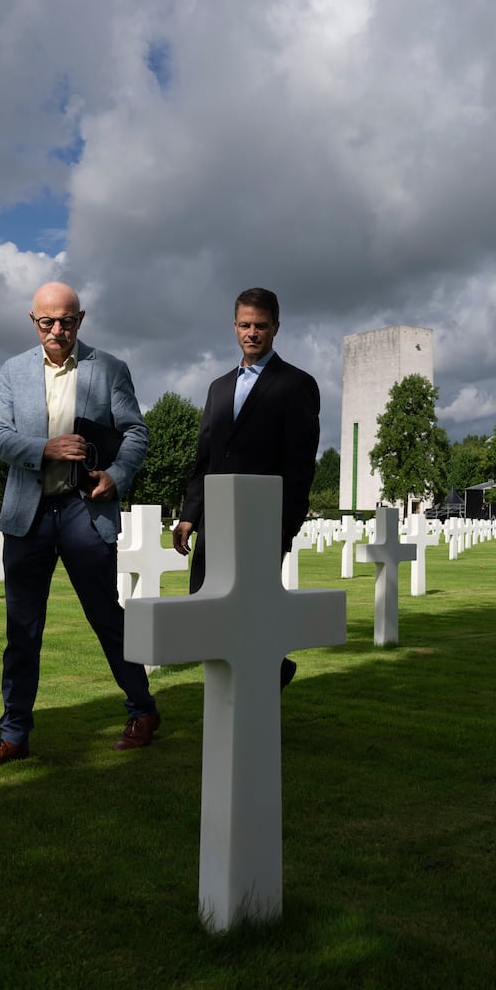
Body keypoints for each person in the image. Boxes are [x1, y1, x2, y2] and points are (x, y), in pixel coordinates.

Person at [0, 281, 158, 769]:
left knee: (106, 617)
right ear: (33, 321)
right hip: (27, 517)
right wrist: (44, 449)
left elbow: (136, 431)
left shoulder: (109, 369)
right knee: (22, 630)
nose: (57, 330)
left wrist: (117, 476)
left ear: (81, 319)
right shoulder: (12, 372)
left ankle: (142, 710)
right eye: (47, 321)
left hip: (83, 511)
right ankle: (13, 735)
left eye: (67, 321)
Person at [173, 287, 321, 689]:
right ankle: (275, 672)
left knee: (250, 618)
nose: (251, 333)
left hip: (261, 525)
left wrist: (285, 528)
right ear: (234, 326)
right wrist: (190, 515)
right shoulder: (219, 388)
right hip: (215, 523)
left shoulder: (296, 385)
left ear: (276, 328)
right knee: (204, 613)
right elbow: (206, 458)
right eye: (244, 325)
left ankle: (250, 694)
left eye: (260, 325)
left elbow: (299, 466)